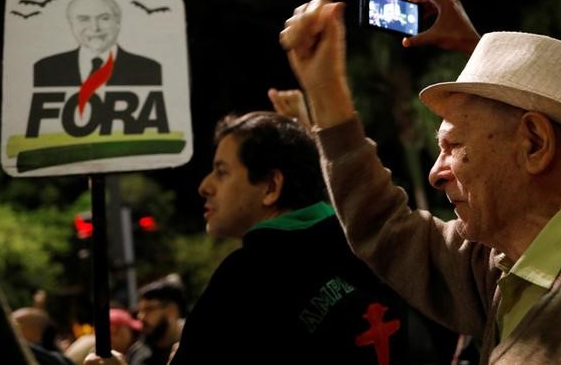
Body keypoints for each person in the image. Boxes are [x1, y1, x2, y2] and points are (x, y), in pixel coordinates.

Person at [279, 0, 561, 363]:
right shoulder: (506, 267)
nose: (436, 173)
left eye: (454, 147)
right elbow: (386, 229)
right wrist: (326, 94)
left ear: (533, 143)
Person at [165, 110, 409, 364]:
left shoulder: (243, 278)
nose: (204, 186)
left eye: (222, 172)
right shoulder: (368, 243)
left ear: (271, 186)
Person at [33, 0, 162, 87]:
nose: (95, 28)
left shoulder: (149, 70)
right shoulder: (46, 69)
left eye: (104, 18)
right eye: (84, 19)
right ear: (71, 24)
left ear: (118, 22)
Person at [127, 277, 185, 365]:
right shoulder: (137, 353)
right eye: (140, 310)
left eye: (149, 309)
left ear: (172, 310)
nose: (140, 317)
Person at [65, 308, 142, 364]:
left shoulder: (89, 341)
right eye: (131, 330)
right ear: (113, 331)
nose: (134, 337)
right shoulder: (96, 352)